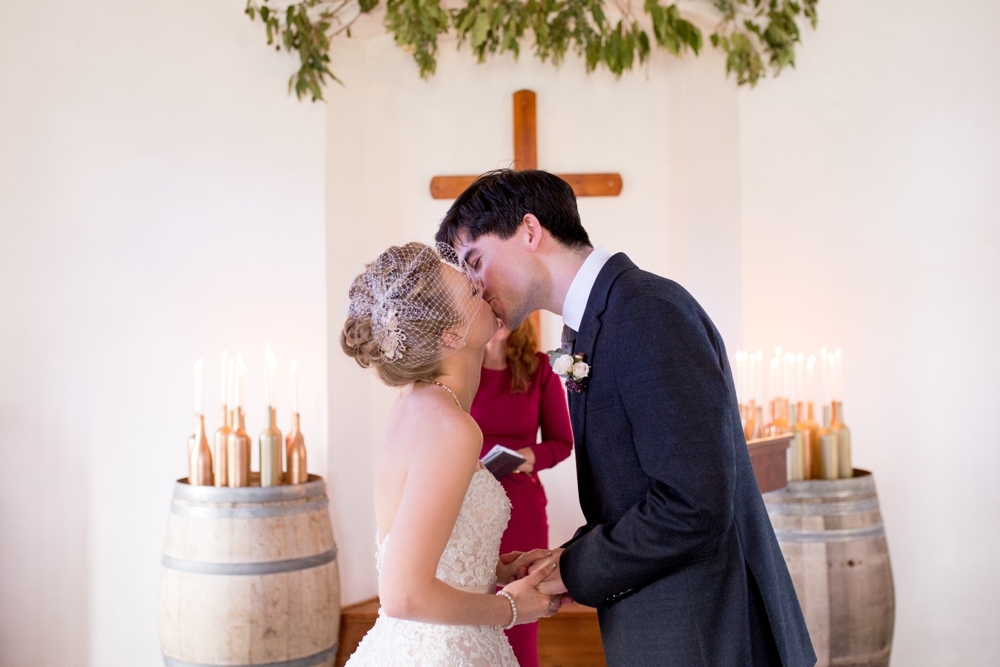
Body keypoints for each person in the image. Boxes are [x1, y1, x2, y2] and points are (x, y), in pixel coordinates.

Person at [436, 170, 817, 667]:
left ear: (530, 231)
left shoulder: (646, 312)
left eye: (475, 260)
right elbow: (638, 494)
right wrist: (564, 559)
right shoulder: (601, 319)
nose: (474, 285)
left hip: (704, 631)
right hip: (668, 620)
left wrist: (576, 569)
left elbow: (693, 504)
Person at [339, 242, 564, 666]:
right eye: (473, 293)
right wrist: (512, 609)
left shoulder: (416, 404)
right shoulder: (451, 428)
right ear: (451, 334)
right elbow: (404, 593)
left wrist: (490, 568)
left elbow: (421, 541)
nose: (487, 289)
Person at [471, 317, 574, 667]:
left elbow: (562, 442)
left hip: (522, 504)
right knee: (473, 599)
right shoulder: (460, 367)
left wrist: (530, 456)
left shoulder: (539, 368)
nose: (496, 322)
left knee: (519, 609)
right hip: (467, 502)